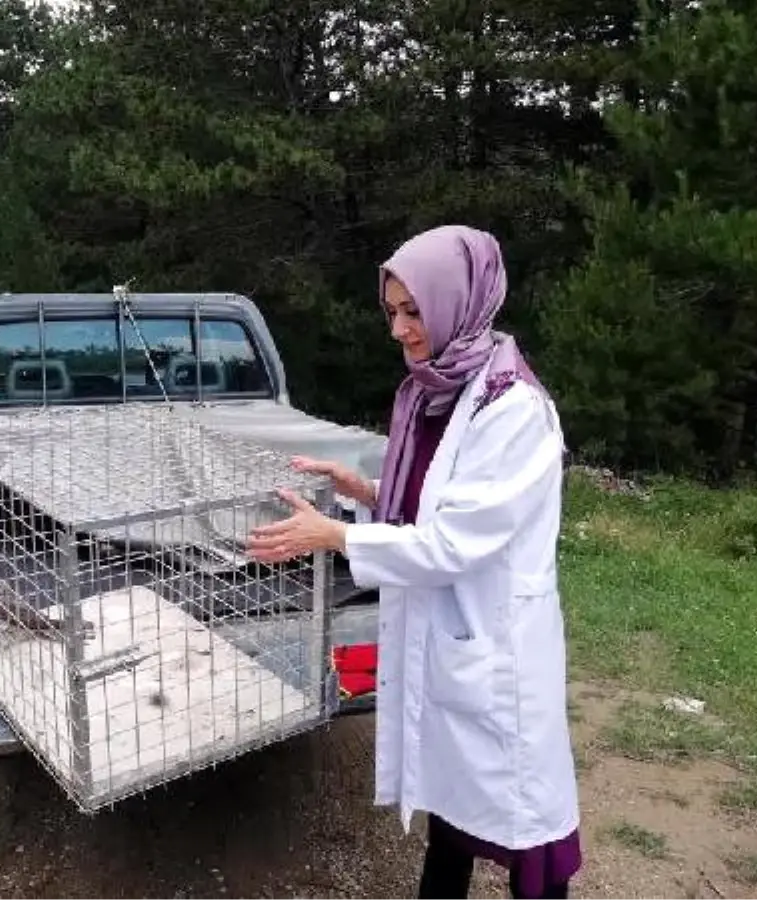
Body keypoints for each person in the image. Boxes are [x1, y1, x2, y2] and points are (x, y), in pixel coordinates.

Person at [246, 224, 582, 899]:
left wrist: (335, 538)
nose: (399, 329)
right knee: (451, 809)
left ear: (458, 301)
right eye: (392, 312)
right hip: (446, 632)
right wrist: (367, 492)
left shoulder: (513, 410)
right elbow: (436, 506)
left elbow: (454, 541)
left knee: (525, 825)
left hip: (494, 646)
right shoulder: (433, 392)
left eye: (413, 310)